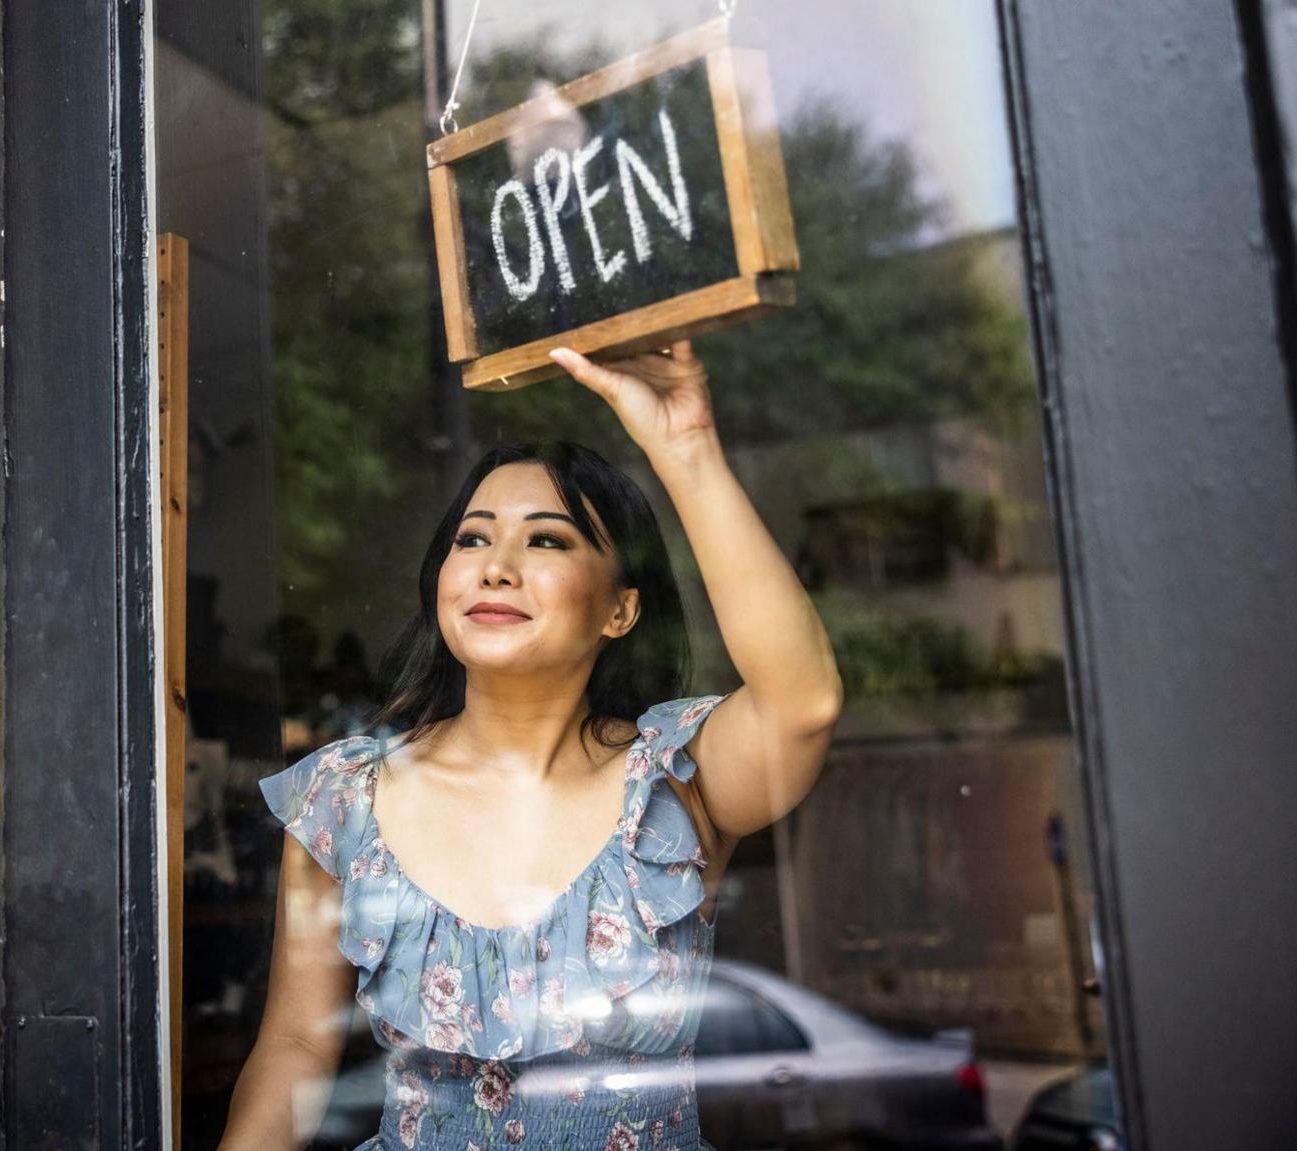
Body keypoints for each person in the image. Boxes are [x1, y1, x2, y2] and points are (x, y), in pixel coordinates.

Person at [219, 343, 844, 1150]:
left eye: (546, 541)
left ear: (620, 610)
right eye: (473, 540)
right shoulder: (343, 799)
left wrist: (685, 449)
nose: (497, 568)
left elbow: (806, 701)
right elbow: (296, 1047)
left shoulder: (673, 783)